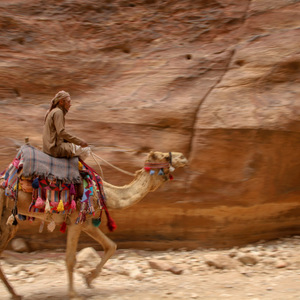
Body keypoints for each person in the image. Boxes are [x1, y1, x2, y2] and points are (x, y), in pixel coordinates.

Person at [43, 91, 91, 160]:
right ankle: (76, 169)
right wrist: (80, 142)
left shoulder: (51, 112)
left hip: (48, 148)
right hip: (55, 149)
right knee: (86, 150)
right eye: (68, 102)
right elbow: (61, 132)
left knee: (75, 147)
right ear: (61, 102)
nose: (70, 104)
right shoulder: (58, 112)